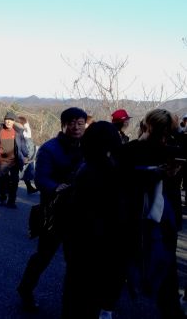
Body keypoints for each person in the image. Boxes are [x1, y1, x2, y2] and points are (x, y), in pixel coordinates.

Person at [17, 107, 87, 311]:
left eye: (80, 123)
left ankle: (72, 302)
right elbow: (41, 178)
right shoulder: (50, 148)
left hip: (80, 213)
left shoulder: (88, 147)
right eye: (72, 123)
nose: (76, 127)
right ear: (63, 124)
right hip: (54, 212)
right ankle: (26, 288)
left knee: (75, 259)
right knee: (44, 255)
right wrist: (57, 188)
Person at [121, 109, 184, 319]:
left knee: (164, 266)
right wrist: (156, 174)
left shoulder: (135, 149)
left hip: (160, 217)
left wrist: (171, 175)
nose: (163, 136)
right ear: (148, 126)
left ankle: (169, 308)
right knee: (153, 263)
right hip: (141, 216)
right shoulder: (131, 151)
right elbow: (123, 181)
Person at [62, 121, 127, 319]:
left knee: (74, 300)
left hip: (79, 248)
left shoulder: (86, 170)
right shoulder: (113, 173)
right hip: (103, 250)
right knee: (90, 302)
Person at [0, 112, 29, 208]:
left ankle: (12, 201)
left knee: (14, 182)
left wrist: (26, 155)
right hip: (2, 161)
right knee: (2, 182)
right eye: (7, 120)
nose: (8, 122)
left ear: (13, 121)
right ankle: (2, 199)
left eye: (11, 120)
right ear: (4, 120)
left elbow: (23, 145)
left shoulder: (18, 132)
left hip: (14, 161)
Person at [18, 116, 38, 194]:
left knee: (27, 173)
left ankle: (29, 188)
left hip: (28, 157)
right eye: (26, 122)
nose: (27, 124)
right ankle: (7, 190)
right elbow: (27, 145)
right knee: (19, 174)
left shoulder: (24, 132)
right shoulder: (23, 133)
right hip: (25, 157)